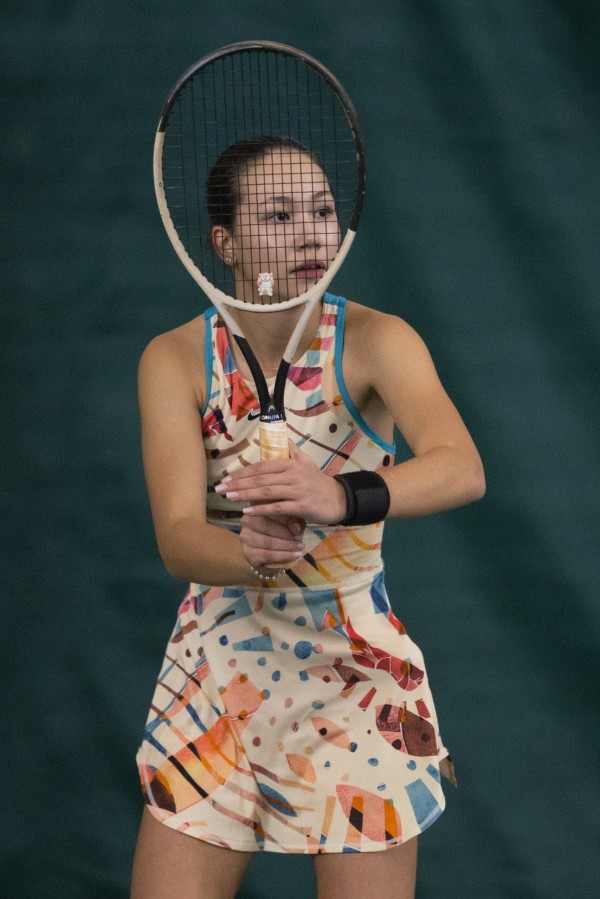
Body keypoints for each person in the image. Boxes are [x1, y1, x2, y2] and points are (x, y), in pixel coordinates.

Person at [130, 136, 485, 899]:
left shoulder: (379, 340)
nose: (311, 234)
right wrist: (250, 554)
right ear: (223, 242)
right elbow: (179, 537)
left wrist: (341, 496)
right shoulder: (175, 358)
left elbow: (462, 466)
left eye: (323, 210)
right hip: (217, 671)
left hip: (355, 677)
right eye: (279, 215)